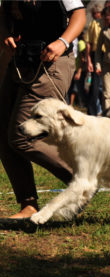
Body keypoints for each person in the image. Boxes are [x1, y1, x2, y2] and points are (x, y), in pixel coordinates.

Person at [0, 0, 86, 219]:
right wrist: (4, 33)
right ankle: (27, 204)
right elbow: (4, 14)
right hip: (19, 63)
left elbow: (79, 14)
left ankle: (82, 180)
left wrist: (62, 42)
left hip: (53, 64)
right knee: (3, 132)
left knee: (20, 135)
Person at [85, 3, 103, 116]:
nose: (95, 15)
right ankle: (92, 112)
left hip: (107, 55)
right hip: (96, 54)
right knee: (94, 85)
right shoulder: (93, 24)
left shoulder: (106, 23)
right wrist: (89, 60)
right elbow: (88, 43)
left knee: (105, 86)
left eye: (96, 13)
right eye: (93, 13)